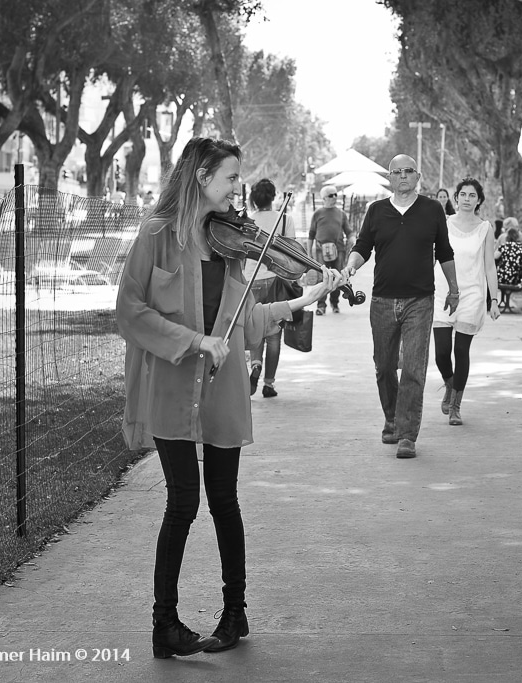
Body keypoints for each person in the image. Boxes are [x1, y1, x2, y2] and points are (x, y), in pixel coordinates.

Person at [116, 137, 343, 659]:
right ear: (202, 177)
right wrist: (195, 341)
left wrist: (304, 299)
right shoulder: (156, 235)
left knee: (223, 500)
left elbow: (244, 322)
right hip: (172, 389)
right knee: (182, 502)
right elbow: (130, 312)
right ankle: (164, 625)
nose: (237, 187)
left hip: (223, 389)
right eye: (230, 177)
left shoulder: (228, 244)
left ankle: (234, 614)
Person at [342, 154, 460, 459]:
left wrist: (454, 289)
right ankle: (392, 419)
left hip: (420, 301)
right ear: (390, 178)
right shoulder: (376, 210)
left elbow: (445, 251)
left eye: (408, 171)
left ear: (418, 176)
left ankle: (407, 434)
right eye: (397, 172)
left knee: (413, 369)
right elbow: (362, 246)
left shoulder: (432, 210)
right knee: (384, 366)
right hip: (382, 300)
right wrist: (350, 266)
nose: (403, 176)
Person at [432, 178, 500, 425]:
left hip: (472, 294)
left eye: (472, 195)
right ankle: (450, 384)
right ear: (456, 197)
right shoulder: (443, 223)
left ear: (479, 200)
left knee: (461, 351)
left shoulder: (485, 229)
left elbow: (489, 266)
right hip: (442, 293)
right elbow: (432, 257)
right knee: (441, 353)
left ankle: (455, 406)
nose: (467, 199)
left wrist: (494, 299)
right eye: (463, 194)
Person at [244, 178, 296, 398]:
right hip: (276, 279)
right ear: (274, 197)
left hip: (250, 279)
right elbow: (293, 254)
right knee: (274, 332)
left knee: (256, 325)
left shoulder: (247, 221)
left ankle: (256, 364)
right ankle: (269, 383)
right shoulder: (284, 219)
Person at [309, 185, 353, 315]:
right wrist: (308, 253)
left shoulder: (341, 214)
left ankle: (335, 303)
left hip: (339, 249)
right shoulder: (317, 213)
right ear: (323, 198)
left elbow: (349, 231)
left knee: (337, 278)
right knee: (322, 278)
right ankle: (321, 305)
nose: (334, 197)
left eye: (335, 194)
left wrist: (352, 239)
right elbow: (311, 234)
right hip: (320, 250)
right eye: (330, 195)